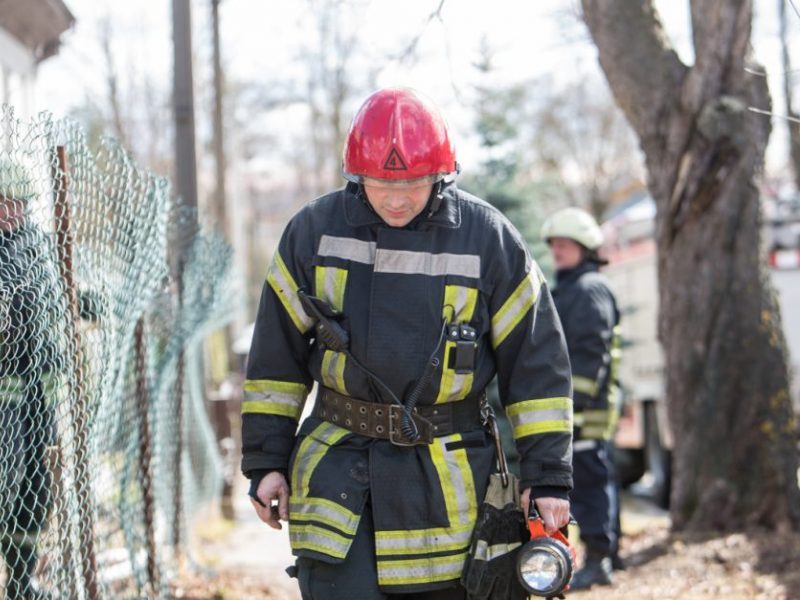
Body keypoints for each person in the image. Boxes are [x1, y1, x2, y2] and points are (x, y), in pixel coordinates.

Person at [242, 88, 574, 599]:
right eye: (379, 184)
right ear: (358, 177)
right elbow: (274, 361)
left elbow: (537, 366)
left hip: (449, 488)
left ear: (441, 176)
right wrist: (265, 462)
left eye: (414, 184)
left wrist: (548, 477)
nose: (396, 200)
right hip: (338, 478)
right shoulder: (312, 234)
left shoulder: (488, 240)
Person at [541, 207, 622, 590]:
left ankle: (601, 561)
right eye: (553, 244)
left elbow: (592, 353)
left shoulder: (589, 290)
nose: (556, 251)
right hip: (576, 408)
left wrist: (576, 407)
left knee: (590, 484)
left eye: (564, 244)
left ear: (585, 247)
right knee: (594, 479)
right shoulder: (572, 288)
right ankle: (608, 555)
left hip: (585, 411)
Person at [0, 159, 62, 600]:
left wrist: (88, 301)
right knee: (9, 477)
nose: (12, 211)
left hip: (39, 387)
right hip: (5, 390)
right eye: (5, 203)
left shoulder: (37, 243)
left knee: (36, 488)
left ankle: (24, 581)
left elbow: (58, 292)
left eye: (18, 203)